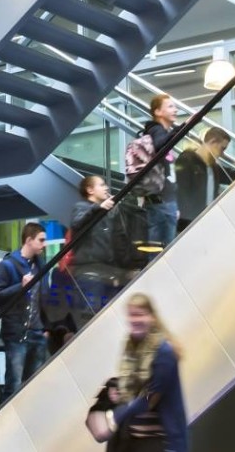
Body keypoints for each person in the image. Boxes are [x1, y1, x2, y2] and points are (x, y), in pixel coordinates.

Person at [103, 294, 187, 452]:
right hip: (134, 439)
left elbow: (150, 397)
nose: (135, 320)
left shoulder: (164, 352)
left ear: (152, 317)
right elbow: (134, 389)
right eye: (131, 315)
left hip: (160, 442)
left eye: (140, 314)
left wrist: (116, 415)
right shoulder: (132, 347)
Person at [0, 222, 50, 401]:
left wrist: (46, 328)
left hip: (37, 332)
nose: (44, 244)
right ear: (29, 240)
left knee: (35, 385)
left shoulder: (41, 267)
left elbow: (44, 299)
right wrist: (19, 287)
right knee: (14, 383)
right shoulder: (8, 265)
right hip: (16, 333)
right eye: (41, 240)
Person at [70, 175, 125, 310]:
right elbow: (77, 223)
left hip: (108, 272)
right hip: (90, 273)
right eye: (101, 185)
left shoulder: (105, 212)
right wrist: (98, 208)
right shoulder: (81, 207)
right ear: (90, 190)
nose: (106, 187)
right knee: (91, 316)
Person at [173, 128, 235, 232]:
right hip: (190, 224)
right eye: (222, 148)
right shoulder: (187, 161)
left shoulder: (212, 167)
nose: (222, 154)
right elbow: (182, 195)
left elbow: (232, 176)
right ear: (212, 142)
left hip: (206, 221)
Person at [141, 94, 181, 248]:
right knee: (161, 253)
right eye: (170, 106)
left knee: (160, 251)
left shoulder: (160, 132)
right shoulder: (156, 130)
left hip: (163, 202)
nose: (175, 110)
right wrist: (181, 128)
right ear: (158, 112)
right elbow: (159, 145)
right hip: (161, 203)